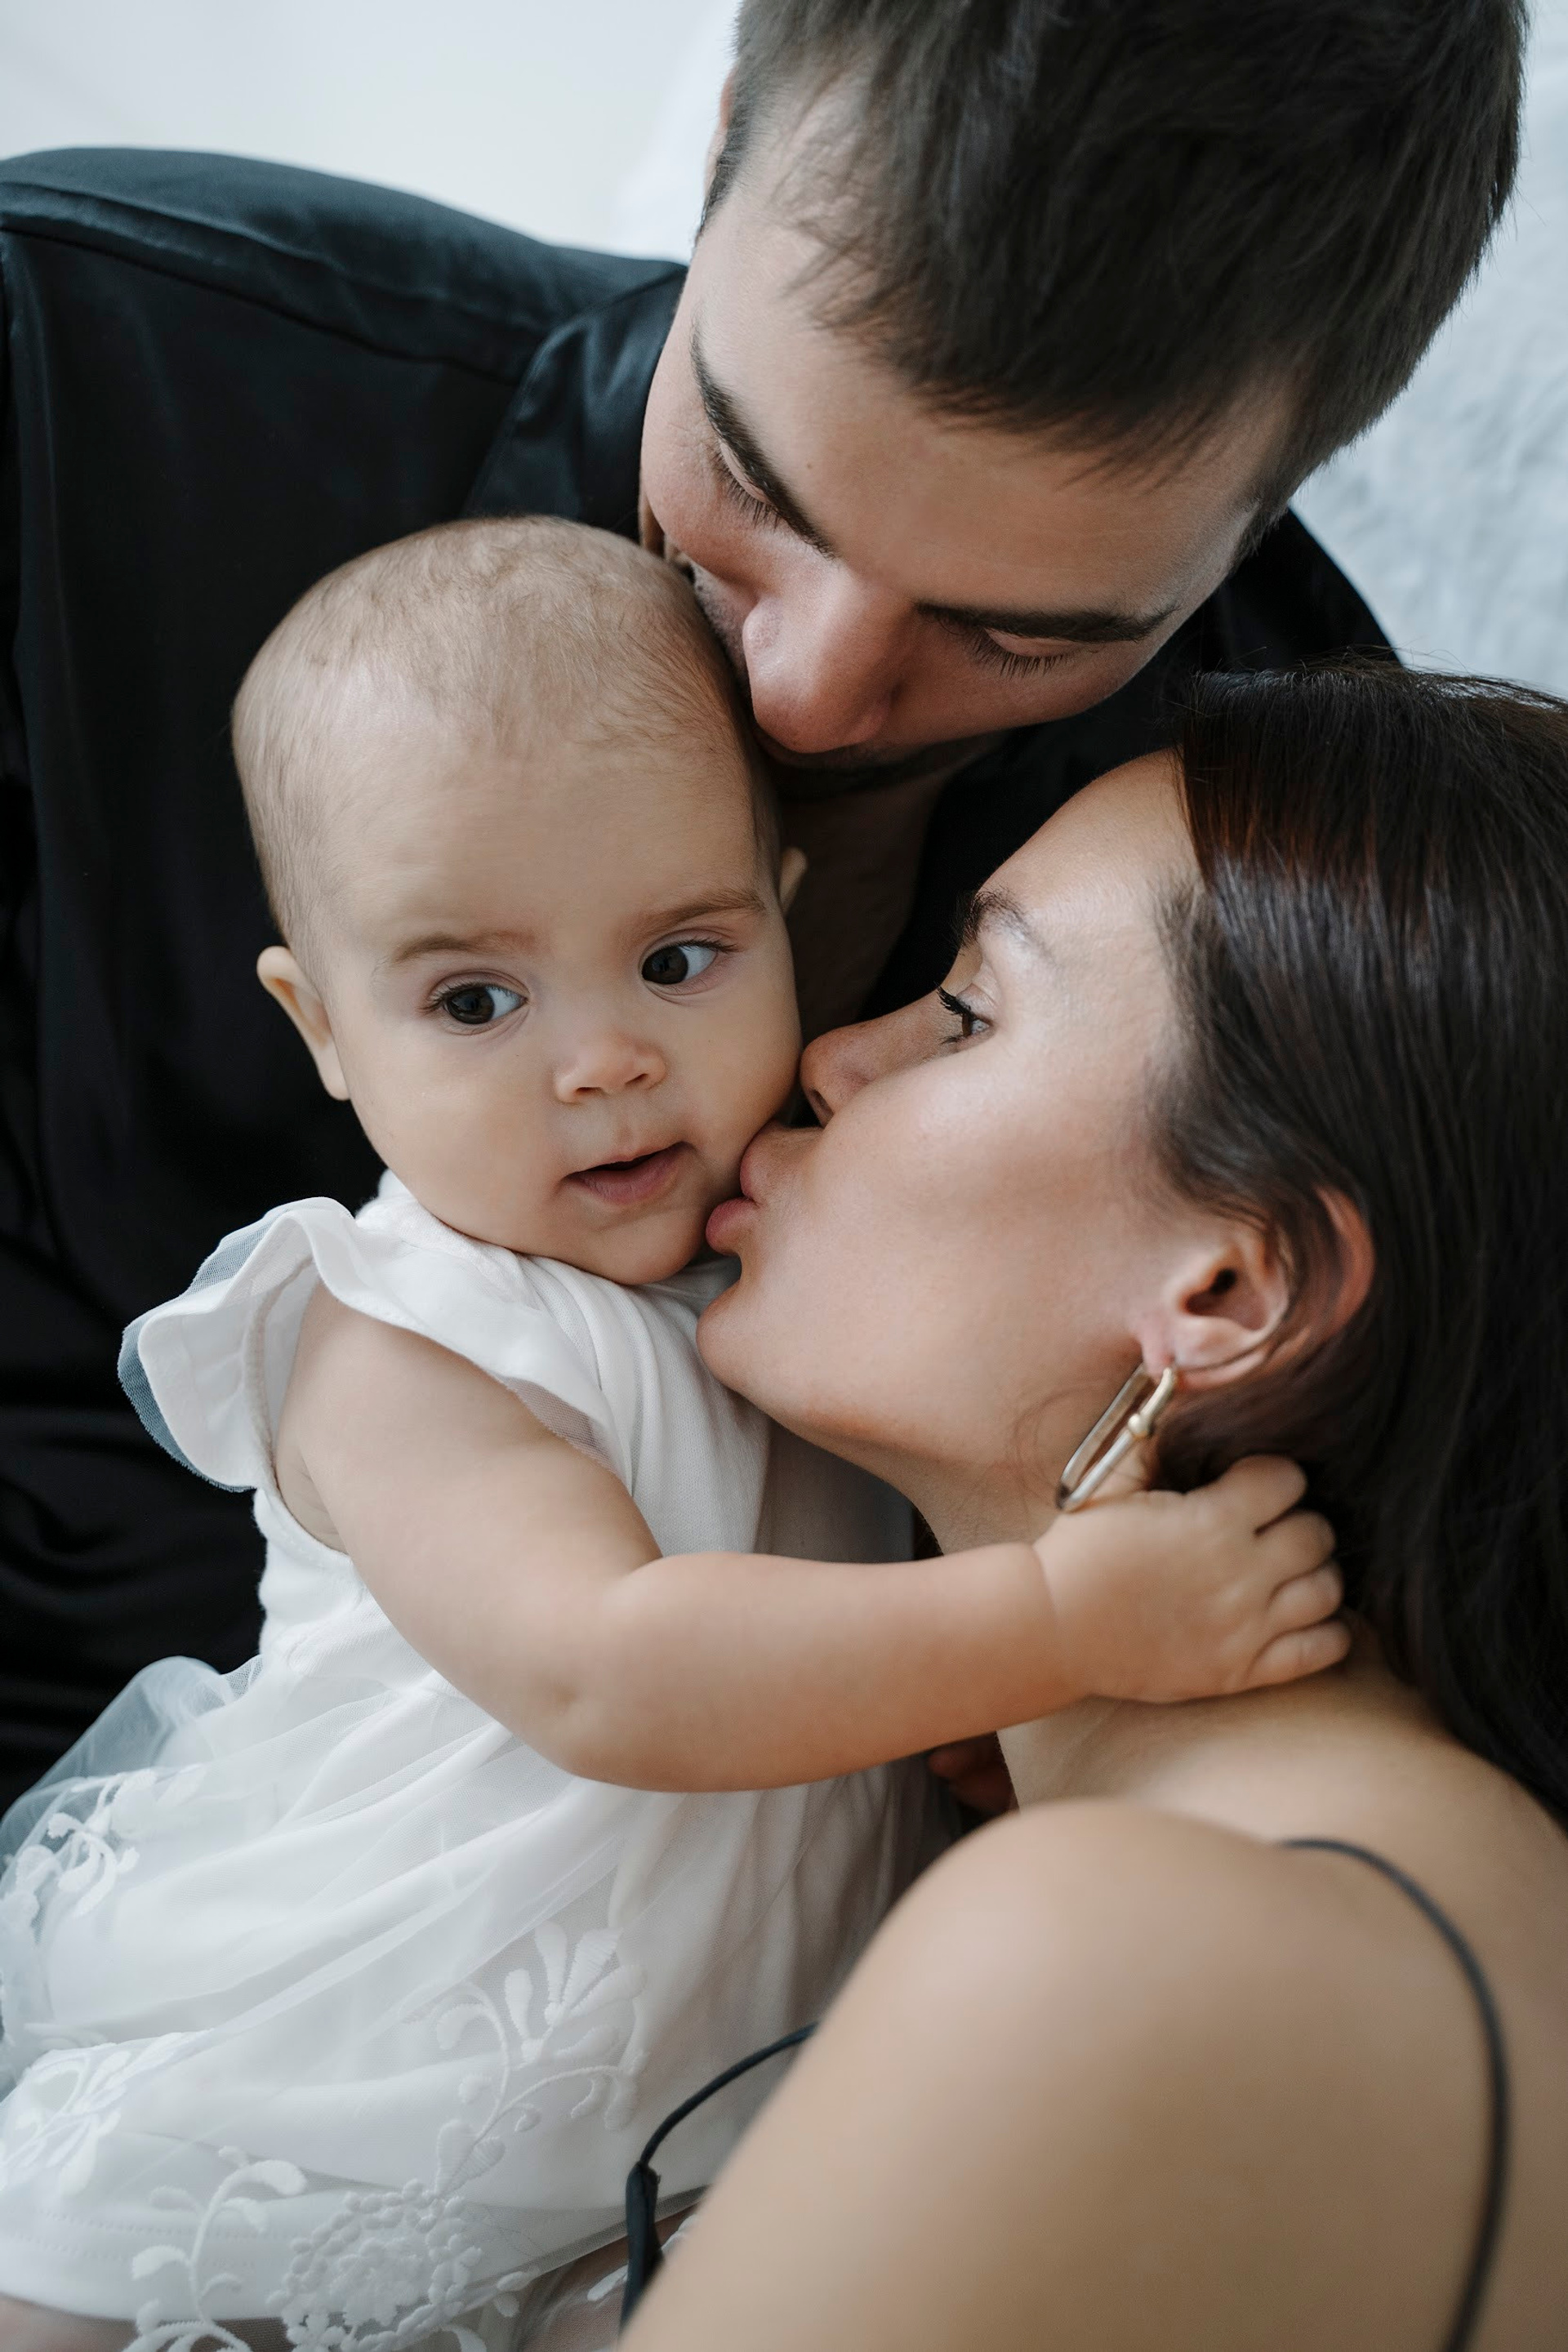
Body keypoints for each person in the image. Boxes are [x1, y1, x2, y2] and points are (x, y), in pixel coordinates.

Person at [0, 0, 1526, 1802]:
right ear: (726, 142)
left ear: (1272, 502)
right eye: (745, 476)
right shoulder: (70, 383)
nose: (801, 700)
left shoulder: (1330, 909)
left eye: (1013, 632)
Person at [0, 518, 1344, 2348]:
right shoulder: (400, 1337)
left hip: (670, 2137)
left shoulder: (796, 1281)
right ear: (324, 1030)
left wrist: (937, 1720)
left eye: (681, 959)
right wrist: (1050, 1627)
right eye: (475, 1002)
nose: (603, 1061)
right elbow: (613, 1670)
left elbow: (815, 1621)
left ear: (785, 913)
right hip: (333, 2086)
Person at [586, 662, 1568, 2351]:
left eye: (969, 1012)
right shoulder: (1418, 1896)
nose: (833, 1057)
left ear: (1232, 1287)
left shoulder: (1125, 1947)